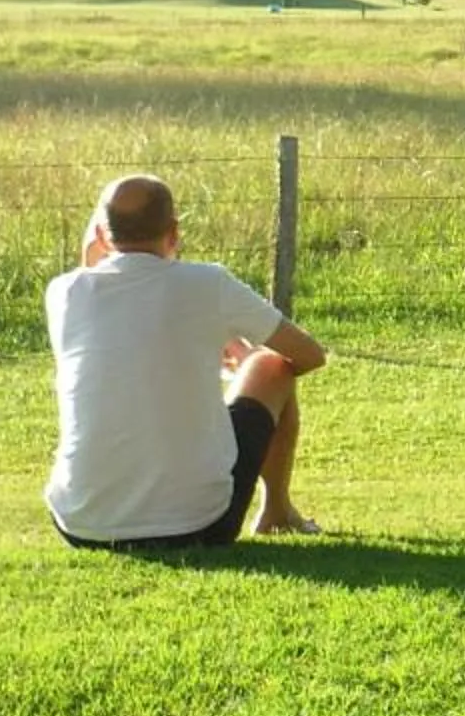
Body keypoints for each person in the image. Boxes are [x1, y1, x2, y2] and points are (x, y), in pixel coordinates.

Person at [43, 172, 329, 549]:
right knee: (270, 364)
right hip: (199, 525)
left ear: (100, 234)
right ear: (174, 231)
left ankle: (277, 512)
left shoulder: (64, 292)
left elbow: (105, 281)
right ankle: (277, 511)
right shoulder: (210, 283)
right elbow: (308, 355)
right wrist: (245, 359)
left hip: (82, 526)